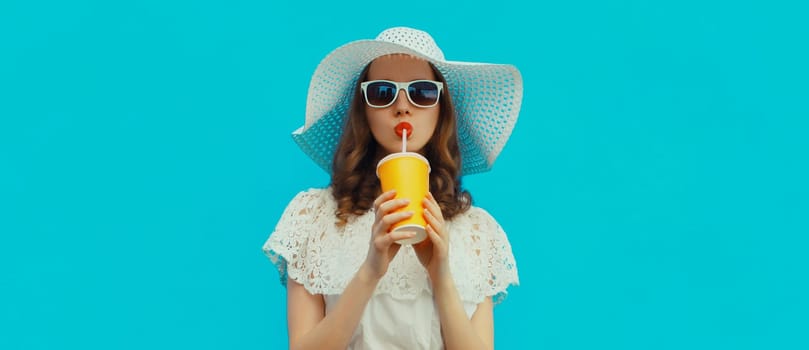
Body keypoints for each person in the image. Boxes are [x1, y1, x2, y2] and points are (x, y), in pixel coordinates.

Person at [263, 26, 523, 350]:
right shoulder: (313, 218)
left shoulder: (477, 233)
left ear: (442, 109)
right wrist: (370, 271)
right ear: (364, 110)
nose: (402, 107)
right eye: (383, 93)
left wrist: (441, 276)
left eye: (423, 92)